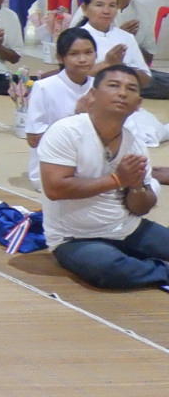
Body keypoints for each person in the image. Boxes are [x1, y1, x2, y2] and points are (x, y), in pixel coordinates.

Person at [38, 64, 169, 289]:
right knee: (109, 270)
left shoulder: (134, 144)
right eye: (113, 85)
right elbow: (55, 189)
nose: (122, 93)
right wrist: (118, 180)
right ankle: (159, 270)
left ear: (138, 104)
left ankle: (148, 267)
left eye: (130, 89)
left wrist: (137, 186)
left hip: (128, 228)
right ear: (93, 95)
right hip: (75, 238)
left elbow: (140, 209)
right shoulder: (67, 131)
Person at [23, 28, 101, 147]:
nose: (83, 59)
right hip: (53, 161)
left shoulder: (100, 87)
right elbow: (34, 140)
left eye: (88, 52)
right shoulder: (44, 87)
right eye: (74, 54)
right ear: (60, 58)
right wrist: (77, 118)